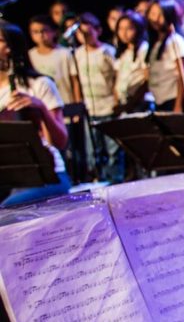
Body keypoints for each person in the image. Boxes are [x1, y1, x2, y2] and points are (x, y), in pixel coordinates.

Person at [1, 20, 71, 206]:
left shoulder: (39, 84)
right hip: (8, 177)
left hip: (48, 176)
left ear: (11, 48)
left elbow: (60, 142)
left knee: (8, 208)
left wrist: (41, 108)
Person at [73, 12, 119, 182]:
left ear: (97, 30)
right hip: (89, 108)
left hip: (108, 105)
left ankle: (115, 179)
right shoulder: (77, 54)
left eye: (88, 33)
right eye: (80, 34)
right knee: (93, 150)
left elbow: (117, 76)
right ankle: (98, 179)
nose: (84, 37)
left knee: (112, 148)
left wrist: (116, 100)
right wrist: (78, 104)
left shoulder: (108, 51)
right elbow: (76, 80)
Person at [146, 0, 184, 112]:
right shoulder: (156, 43)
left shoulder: (175, 41)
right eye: (152, 14)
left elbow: (182, 76)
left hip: (174, 98)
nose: (155, 19)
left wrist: (178, 105)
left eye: (160, 15)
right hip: (160, 98)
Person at [27, 15, 80, 105]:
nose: (40, 35)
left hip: (65, 103)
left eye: (44, 31)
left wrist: (77, 104)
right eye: (35, 32)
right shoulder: (29, 55)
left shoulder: (64, 53)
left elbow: (75, 81)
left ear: (54, 32)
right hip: (41, 105)